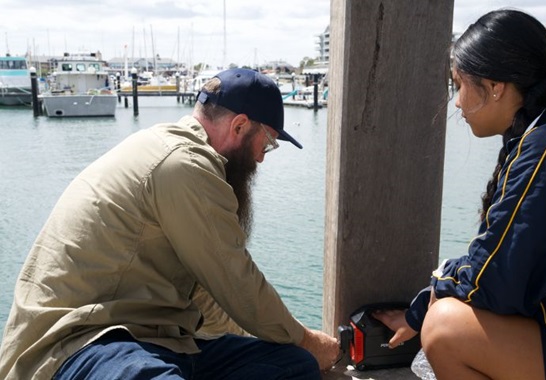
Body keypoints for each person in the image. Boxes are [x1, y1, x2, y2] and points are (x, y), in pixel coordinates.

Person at [0, 68, 339, 379]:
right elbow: (237, 281)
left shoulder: (176, 153)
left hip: (159, 339)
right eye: (266, 142)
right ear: (238, 126)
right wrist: (306, 338)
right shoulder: (183, 165)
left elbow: (210, 296)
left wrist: (287, 344)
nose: (262, 157)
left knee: (293, 366)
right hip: (83, 339)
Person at [373, 9, 546, 380]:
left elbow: (492, 280)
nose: (457, 102)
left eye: (459, 84)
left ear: (496, 87)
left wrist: (421, 309)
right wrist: (431, 294)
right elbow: (502, 253)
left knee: (445, 328)